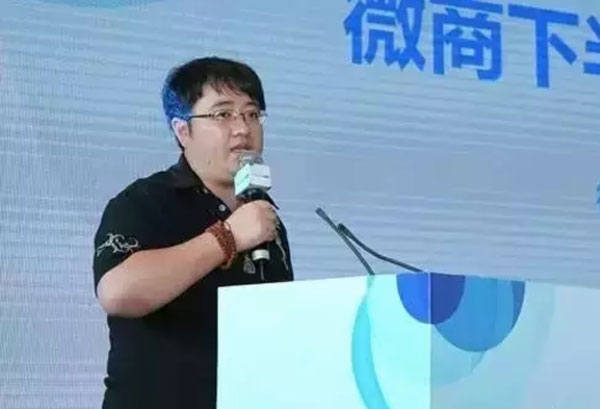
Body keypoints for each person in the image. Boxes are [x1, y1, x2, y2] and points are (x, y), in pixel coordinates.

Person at [92, 57, 294, 409]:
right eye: (223, 114)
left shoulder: (263, 218)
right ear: (182, 130)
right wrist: (228, 237)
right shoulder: (143, 201)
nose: (243, 128)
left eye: (252, 114)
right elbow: (118, 292)